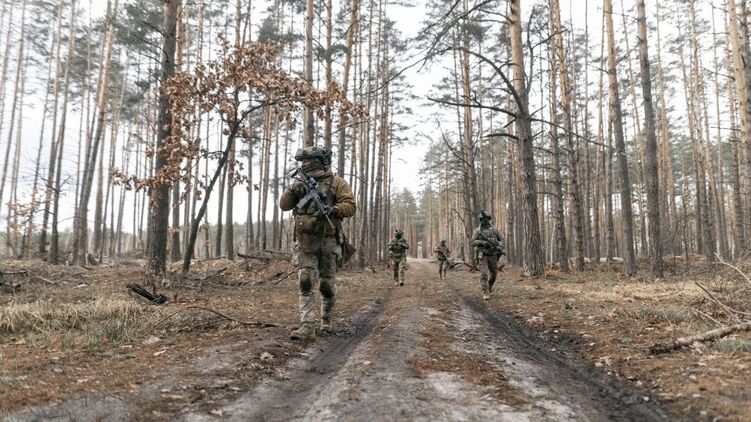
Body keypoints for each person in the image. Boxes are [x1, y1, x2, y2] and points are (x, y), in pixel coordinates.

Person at [279, 146, 356, 340]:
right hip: (305, 241)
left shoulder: (337, 183)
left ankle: (326, 321)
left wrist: (334, 209)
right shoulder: (300, 183)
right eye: (303, 162)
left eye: (308, 161)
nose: (305, 164)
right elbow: (284, 205)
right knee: (305, 279)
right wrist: (291, 190)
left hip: (329, 240)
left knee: (326, 285)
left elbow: (351, 206)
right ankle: (307, 325)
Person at [471, 210, 504, 300]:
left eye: (487, 219)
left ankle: (489, 286)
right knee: (484, 274)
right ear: (481, 220)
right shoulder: (477, 231)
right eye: (483, 219)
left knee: (494, 274)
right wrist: (483, 242)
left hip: (493, 254)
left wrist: (500, 246)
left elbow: (501, 239)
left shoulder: (494, 230)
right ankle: (485, 292)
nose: (485, 221)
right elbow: (472, 242)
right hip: (483, 254)